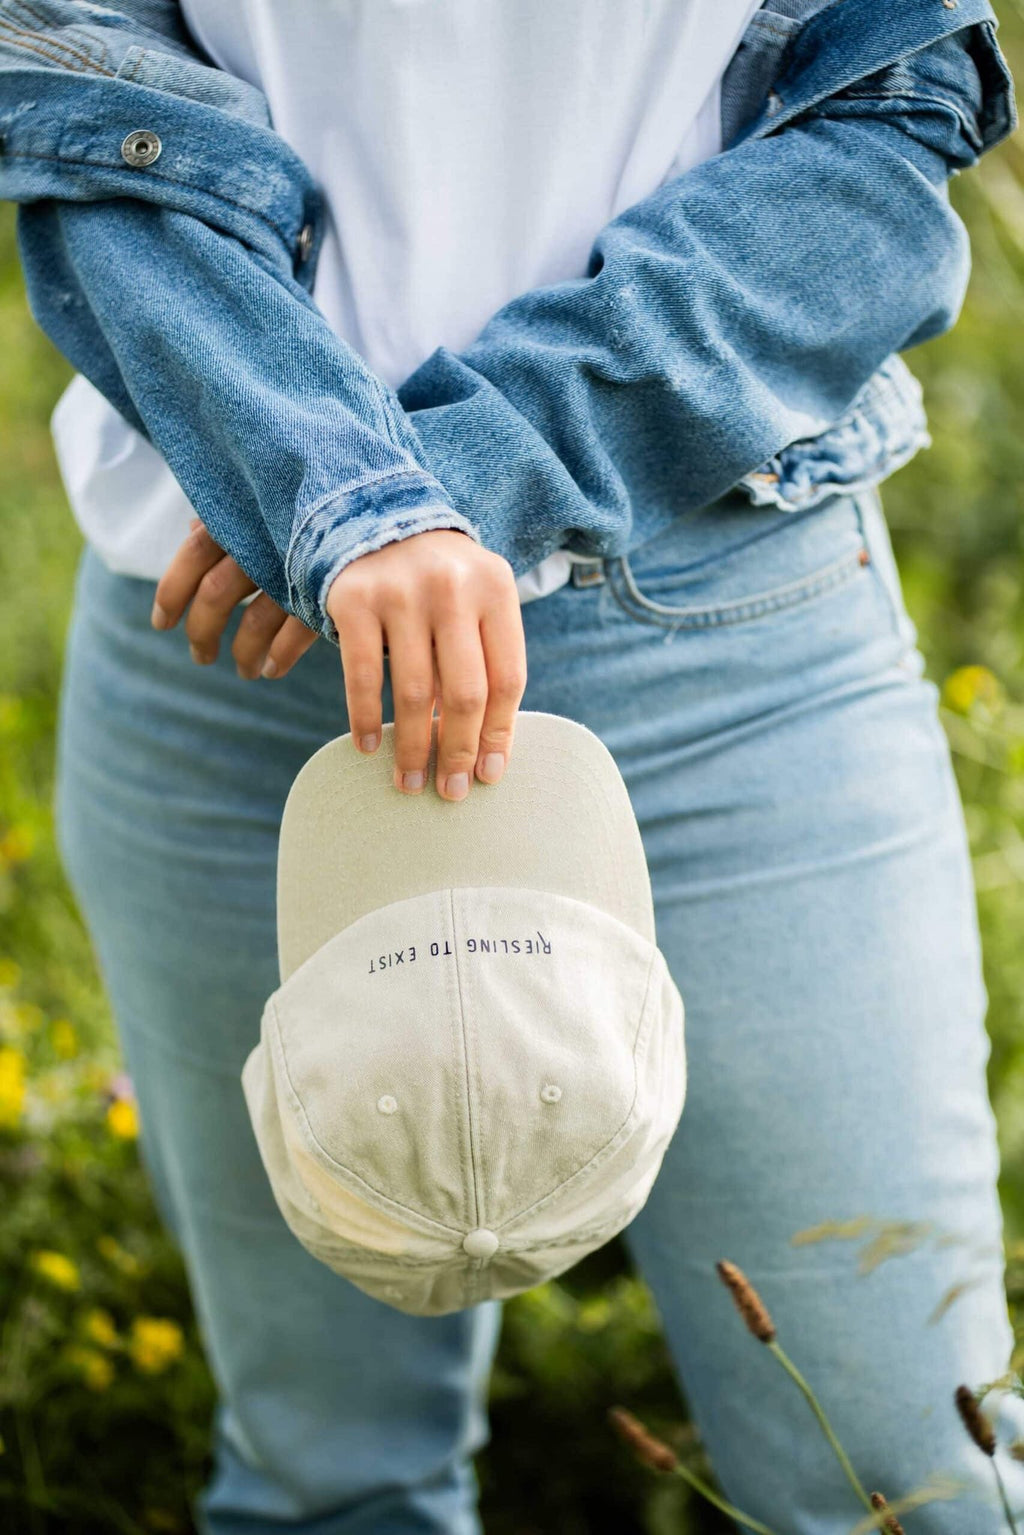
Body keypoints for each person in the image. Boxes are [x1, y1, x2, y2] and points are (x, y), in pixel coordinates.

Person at [3, 0, 1023, 1529]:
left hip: (719, 646)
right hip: (225, 669)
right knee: (327, 1486)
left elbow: (883, 121)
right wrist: (326, 497)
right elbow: (68, 109)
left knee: (898, 1486)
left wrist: (415, 490)